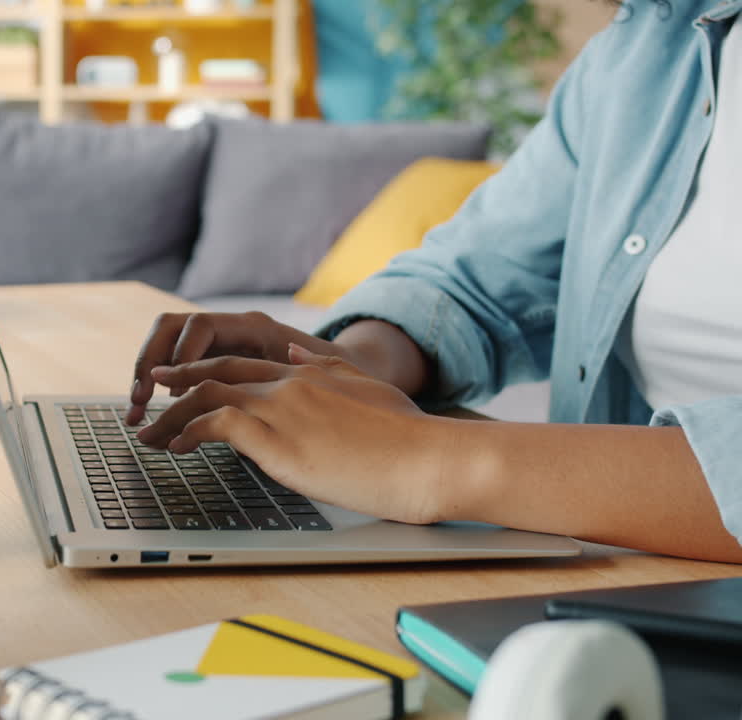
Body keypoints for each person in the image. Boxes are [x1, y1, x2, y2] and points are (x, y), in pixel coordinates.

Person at [125, 0, 742, 564]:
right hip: (613, 573)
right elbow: (481, 275)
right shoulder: (650, 46)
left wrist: (430, 460)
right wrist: (343, 362)